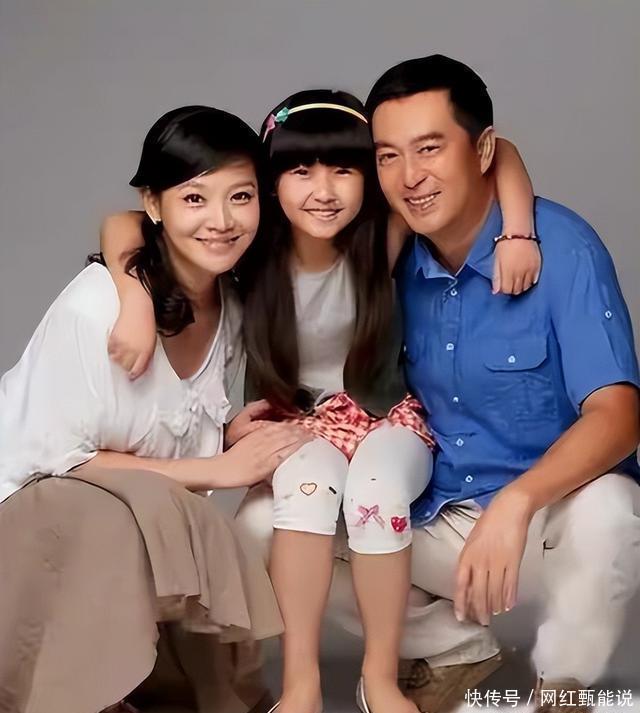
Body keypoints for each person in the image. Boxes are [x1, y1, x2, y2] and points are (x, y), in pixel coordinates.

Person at [100, 88, 537, 713]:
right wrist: (135, 300)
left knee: (376, 494)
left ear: (368, 178)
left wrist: (517, 232)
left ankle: (380, 678)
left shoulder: (381, 238)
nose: (323, 191)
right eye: (300, 171)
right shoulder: (249, 255)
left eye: (344, 170)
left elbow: (498, 155)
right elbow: (125, 222)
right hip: (300, 424)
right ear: (270, 182)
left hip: (386, 417)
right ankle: (300, 682)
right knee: (302, 498)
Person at [0, 105, 312, 713]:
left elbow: (153, 428)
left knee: (145, 514)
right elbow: (60, 464)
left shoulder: (230, 305)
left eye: (241, 197)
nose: (221, 221)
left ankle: (168, 683)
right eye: (195, 199)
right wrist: (217, 469)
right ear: (155, 205)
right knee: (111, 515)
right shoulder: (99, 311)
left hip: (106, 518)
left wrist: (222, 435)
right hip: (24, 513)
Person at [364, 54, 640, 712]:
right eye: (388, 156)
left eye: (430, 149)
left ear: (483, 149)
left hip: (546, 521)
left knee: (611, 510)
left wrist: (518, 502)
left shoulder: (562, 248)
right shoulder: (386, 257)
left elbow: (620, 415)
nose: (409, 177)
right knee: (278, 524)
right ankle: (451, 648)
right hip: (441, 518)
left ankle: (563, 686)